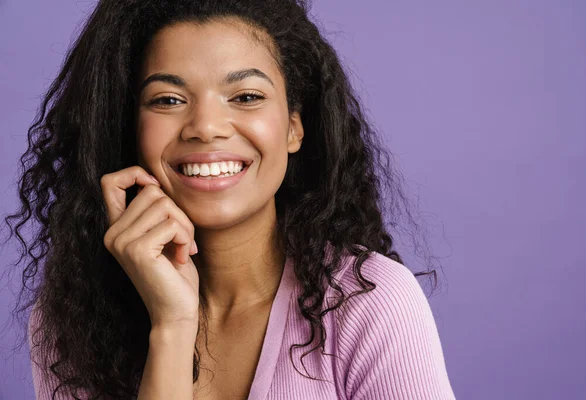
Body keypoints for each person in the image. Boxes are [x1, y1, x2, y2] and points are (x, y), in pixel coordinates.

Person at [5, 0, 455, 398]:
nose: (206, 126)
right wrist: (173, 326)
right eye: (167, 99)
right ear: (130, 132)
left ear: (294, 127)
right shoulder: (73, 320)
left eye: (245, 96)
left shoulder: (365, 301)